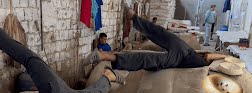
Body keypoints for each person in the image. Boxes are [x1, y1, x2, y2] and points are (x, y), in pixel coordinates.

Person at [84, 3, 227, 71]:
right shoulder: (214, 63)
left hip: (182, 55)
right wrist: (226, 58)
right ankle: (133, 18)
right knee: (157, 37)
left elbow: (209, 57)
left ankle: (105, 55)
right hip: (184, 53)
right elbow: (209, 56)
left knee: (150, 54)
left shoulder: (212, 69)